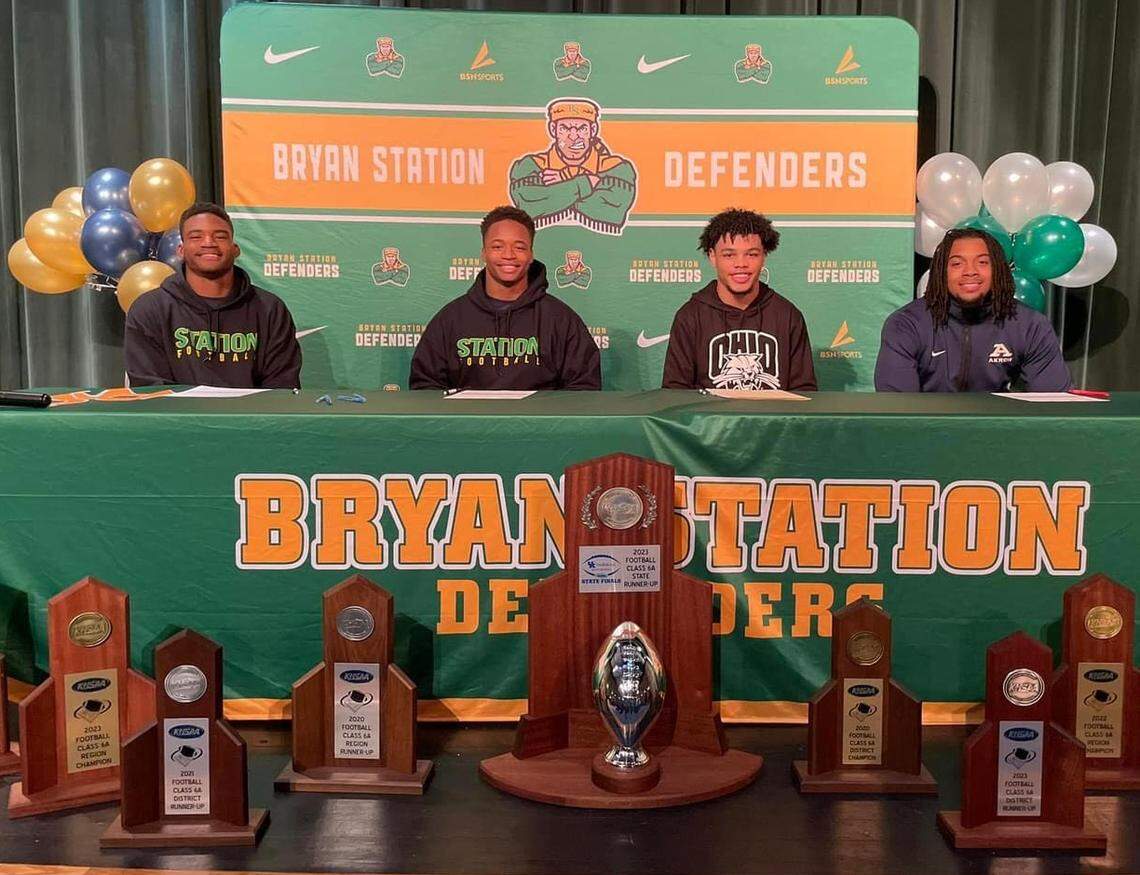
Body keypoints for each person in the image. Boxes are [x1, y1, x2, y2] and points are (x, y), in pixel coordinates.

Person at [409, 206, 600, 391]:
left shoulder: (561, 320)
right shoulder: (450, 319)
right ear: (484, 253)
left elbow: (583, 390)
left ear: (531, 254)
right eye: (497, 246)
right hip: (470, 424)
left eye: (519, 247)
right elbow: (426, 388)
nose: (508, 255)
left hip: (538, 425)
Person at [124, 203, 302, 389]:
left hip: (252, 417)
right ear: (181, 250)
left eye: (220, 236)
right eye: (196, 236)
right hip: (177, 417)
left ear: (235, 249)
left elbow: (282, 388)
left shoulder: (270, 309)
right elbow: (151, 390)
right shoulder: (149, 309)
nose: (208, 242)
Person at [875, 228, 1072, 392]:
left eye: (982, 262)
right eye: (957, 263)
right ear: (941, 272)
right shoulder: (907, 325)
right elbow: (898, 410)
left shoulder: (1029, 325)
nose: (970, 271)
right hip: (927, 433)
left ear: (998, 270)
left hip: (999, 433)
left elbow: (1053, 404)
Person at [662, 208, 816, 391]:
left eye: (751, 254)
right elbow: (675, 393)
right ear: (712, 256)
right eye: (729, 255)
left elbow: (804, 392)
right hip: (711, 420)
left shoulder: (788, 315)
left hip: (771, 420)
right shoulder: (690, 316)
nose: (741, 264)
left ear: (764, 256)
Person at [508, 98, 636, 235]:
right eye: (565, 128)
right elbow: (529, 205)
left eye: (582, 128)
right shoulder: (530, 165)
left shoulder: (618, 168)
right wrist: (586, 182)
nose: (574, 136)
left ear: (593, 130)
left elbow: (611, 211)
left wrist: (562, 183)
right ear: (553, 129)